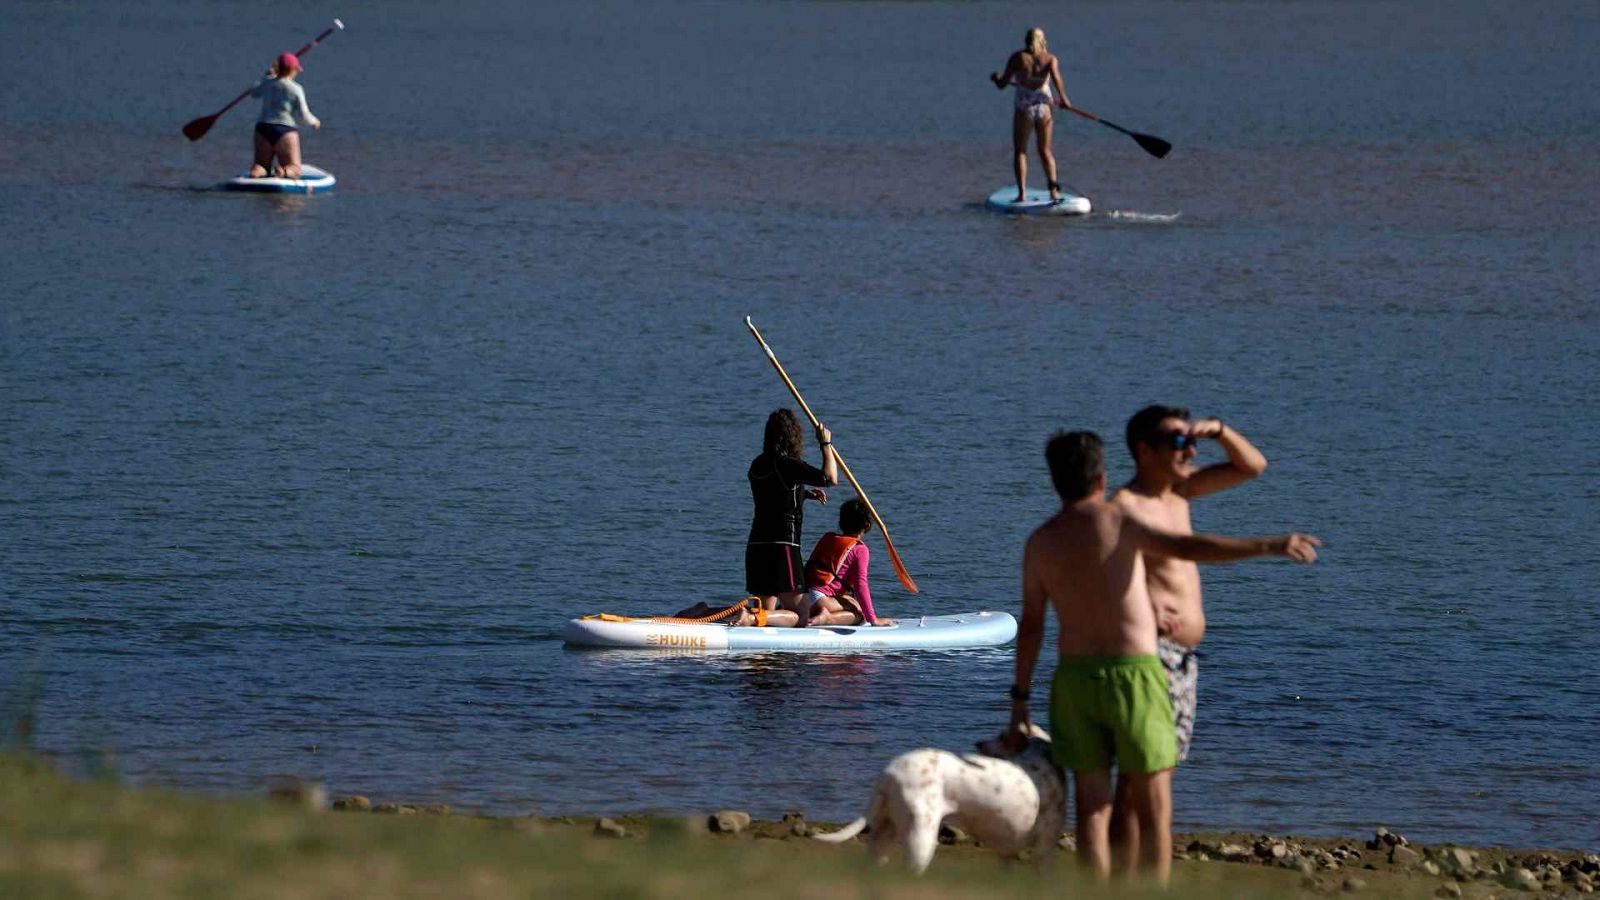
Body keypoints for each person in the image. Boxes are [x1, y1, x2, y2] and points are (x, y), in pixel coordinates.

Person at [1005, 431, 1318, 884]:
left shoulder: (1039, 542)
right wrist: (1268, 545)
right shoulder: (1120, 521)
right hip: (1133, 676)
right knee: (1154, 806)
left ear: (1053, 478)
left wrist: (1020, 700)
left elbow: (1031, 626)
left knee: (1092, 809)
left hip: (1073, 680)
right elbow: (1189, 549)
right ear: (1101, 475)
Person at [1107, 405, 1268, 869]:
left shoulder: (1180, 492)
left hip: (1181, 658)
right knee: (1140, 779)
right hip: (1148, 654)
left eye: (1192, 441)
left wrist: (1218, 428)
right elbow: (1104, 571)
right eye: (1179, 442)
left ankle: (1126, 880)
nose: (1191, 450)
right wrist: (1141, 605)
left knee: (1155, 775)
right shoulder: (1124, 506)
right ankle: (1121, 883)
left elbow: (1252, 466)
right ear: (1144, 449)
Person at [746, 408, 838, 616]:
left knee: (763, 613)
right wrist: (826, 444)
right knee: (801, 614)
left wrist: (803, 494)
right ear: (793, 436)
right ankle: (747, 619)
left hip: (757, 546)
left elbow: (772, 495)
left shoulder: (757, 464)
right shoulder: (790, 465)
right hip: (783, 547)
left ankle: (708, 611)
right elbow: (830, 478)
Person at [989, 27, 1072, 202]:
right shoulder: (1050, 59)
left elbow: (1003, 84)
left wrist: (996, 78)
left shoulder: (1017, 58)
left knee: (1020, 151)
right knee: (1045, 151)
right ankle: (1053, 192)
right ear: (1042, 41)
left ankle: (1022, 194)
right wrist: (1063, 99)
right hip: (1044, 106)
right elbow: (1056, 79)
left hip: (1024, 106)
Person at [800, 498, 895, 628]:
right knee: (861, 614)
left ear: (841, 523)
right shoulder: (860, 549)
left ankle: (818, 613)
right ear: (867, 525)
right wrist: (873, 619)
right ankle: (827, 618)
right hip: (819, 600)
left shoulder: (828, 538)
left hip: (802, 596)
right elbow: (860, 585)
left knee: (851, 600)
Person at [248, 52, 321, 179]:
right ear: (293, 70)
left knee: (261, 165)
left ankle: (256, 171)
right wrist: (314, 122)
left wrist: (265, 77)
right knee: (294, 168)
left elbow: (254, 93)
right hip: (285, 130)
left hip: (263, 128)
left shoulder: (267, 83)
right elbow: (304, 114)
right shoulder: (295, 88)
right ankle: (284, 172)